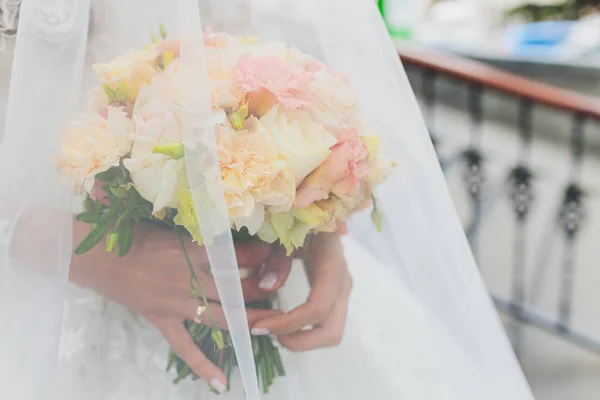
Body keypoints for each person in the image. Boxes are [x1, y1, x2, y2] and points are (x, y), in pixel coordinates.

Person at [0, 0, 535, 399]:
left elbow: (249, 60)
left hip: (254, 270)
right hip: (33, 294)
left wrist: (315, 213)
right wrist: (82, 253)